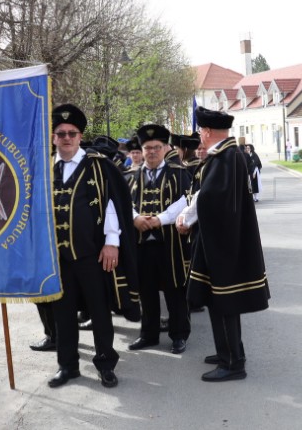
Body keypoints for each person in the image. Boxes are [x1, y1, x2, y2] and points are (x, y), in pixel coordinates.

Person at [46, 103, 139, 389]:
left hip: (91, 255)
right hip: (58, 258)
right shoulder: (45, 167)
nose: (66, 138)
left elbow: (112, 205)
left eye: (72, 133)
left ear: (80, 135)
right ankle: (68, 366)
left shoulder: (97, 166)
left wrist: (112, 243)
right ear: (53, 137)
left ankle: (105, 363)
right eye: (60, 133)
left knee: (99, 312)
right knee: (63, 313)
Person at [177, 107, 270, 382]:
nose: (199, 137)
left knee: (224, 302)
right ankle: (227, 352)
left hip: (225, 246)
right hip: (220, 241)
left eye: (200, 132)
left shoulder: (227, 157)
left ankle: (233, 362)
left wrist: (186, 218)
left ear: (206, 132)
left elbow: (209, 198)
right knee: (217, 301)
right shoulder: (226, 155)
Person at [128, 124, 192, 355]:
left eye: (156, 147)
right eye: (147, 147)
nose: (152, 151)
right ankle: (148, 334)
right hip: (141, 243)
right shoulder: (130, 177)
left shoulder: (179, 173)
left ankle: (179, 335)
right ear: (142, 149)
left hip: (170, 243)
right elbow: (121, 203)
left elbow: (186, 200)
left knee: (175, 290)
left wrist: (160, 219)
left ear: (165, 148)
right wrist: (135, 218)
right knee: (146, 291)